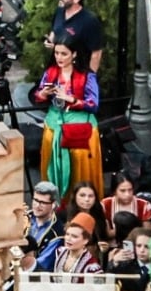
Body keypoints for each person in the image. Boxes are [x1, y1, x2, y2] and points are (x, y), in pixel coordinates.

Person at [34, 41, 102, 198]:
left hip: (79, 129)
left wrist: (71, 99)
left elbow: (93, 104)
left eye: (64, 54)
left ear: (74, 54)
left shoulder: (87, 76)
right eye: (57, 53)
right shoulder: (50, 73)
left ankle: (83, 202)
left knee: (79, 165)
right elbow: (38, 96)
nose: (59, 57)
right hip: (54, 124)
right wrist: (43, 94)